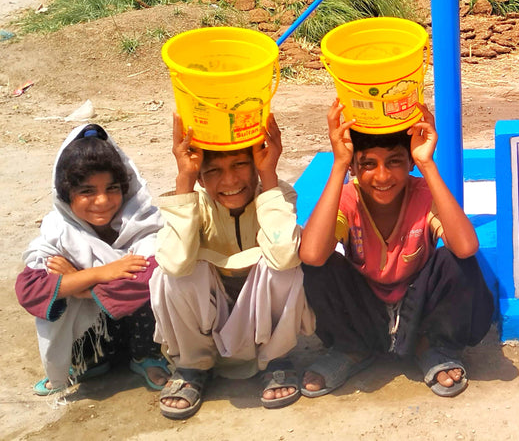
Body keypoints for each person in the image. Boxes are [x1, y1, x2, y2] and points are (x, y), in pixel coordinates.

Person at [299, 100, 494, 398]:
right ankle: (353, 349)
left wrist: (428, 164)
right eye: (368, 164)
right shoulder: (349, 198)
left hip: (419, 307)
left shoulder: (423, 194)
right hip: (366, 311)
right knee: (319, 266)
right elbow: (312, 255)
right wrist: (339, 166)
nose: (382, 176)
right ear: (354, 167)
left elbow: (466, 247)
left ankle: (429, 346)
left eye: (394, 161)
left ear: (410, 163)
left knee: (455, 261)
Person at [149, 113, 314, 420]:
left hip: (259, 322)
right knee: (172, 275)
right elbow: (173, 263)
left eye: (240, 164)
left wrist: (270, 178)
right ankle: (193, 366)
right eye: (213, 171)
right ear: (200, 177)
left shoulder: (277, 193)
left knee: (284, 266)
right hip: (209, 321)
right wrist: (184, 181)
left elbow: (284, 255)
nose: (230, 181)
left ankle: (276, 362)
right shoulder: (191, 199)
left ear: (257, 163)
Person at [16, 124, 169, 396]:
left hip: (140, 330)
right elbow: (30, 290)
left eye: (112, 188)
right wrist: (100, 273)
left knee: (160, 281)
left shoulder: (144, 224)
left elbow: (146, 280)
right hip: (96, 335)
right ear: (65, 195)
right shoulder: (59, 233)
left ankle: (145, 356)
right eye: (87, 191)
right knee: (57, 293)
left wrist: (75, 281)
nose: (102, 200)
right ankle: (88, 360)